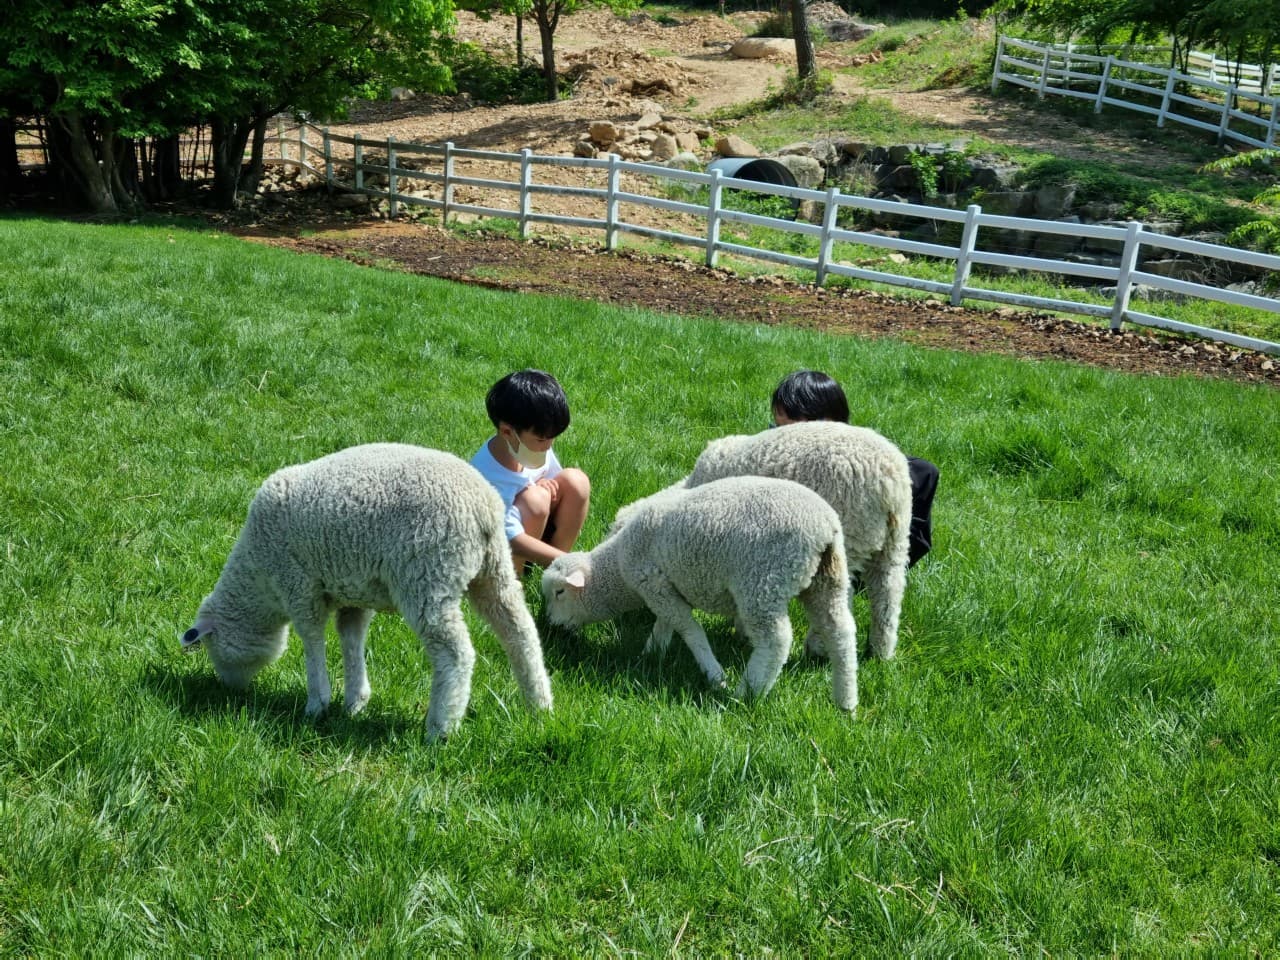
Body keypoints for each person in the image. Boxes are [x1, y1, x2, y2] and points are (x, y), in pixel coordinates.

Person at [771, 370, 938, 568]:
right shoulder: (772, 465)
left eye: (796, 431)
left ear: (830, 421)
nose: (786, 439)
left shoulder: (874, 466)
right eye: (779, 430)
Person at [471, 369, 591, 576]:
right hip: (495, 550)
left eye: (552, 438)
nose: (549, 445)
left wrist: (542, 484)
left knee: (576, 481)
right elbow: (510, 537)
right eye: (542, 439)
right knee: (535, 501)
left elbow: (552, 480)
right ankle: (513, 582)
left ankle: (554, 573)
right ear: (507, 432)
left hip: (533, 535)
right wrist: (570, 563)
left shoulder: (529, 447)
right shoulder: (487, 476)